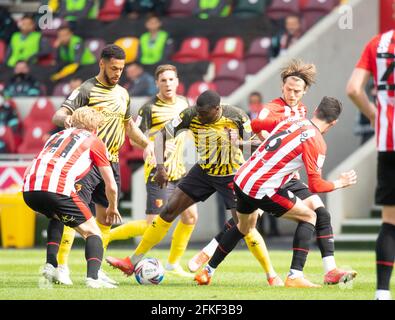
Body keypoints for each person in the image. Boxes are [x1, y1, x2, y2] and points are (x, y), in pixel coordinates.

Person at [191, 59, 357, 285]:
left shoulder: (299, 114)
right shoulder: (274, 111)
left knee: (248, 224)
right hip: (266, 180)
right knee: (308, 215)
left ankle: (207, 269)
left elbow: (273, 134)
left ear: (307, 95)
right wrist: (341, 182)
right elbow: (255, 128)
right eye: (288, 89)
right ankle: (295, 275)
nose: (292, 94)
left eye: (297, 90)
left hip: (252, 177)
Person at [106, 90, 283, 287]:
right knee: (168, 210)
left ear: (217, 109)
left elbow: (257, 146)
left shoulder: (237, 116)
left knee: (244, 226)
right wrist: (161, 168)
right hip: (204, 171)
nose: (200, 116)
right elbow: (161, 137)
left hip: (232, 174)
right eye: (198, 112)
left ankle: (271, 275)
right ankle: (132, 262)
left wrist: (239, 141)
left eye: (205, 113)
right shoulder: (190, 115)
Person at [51, 44, 154, 286]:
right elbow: (58, 115)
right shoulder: (86, 89)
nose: (118, 73)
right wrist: (69, 120)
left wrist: (147, 143)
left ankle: (96, 270)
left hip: (111, 160)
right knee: (73, 214)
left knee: (106, 218)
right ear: (102, 64)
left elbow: (129, 127)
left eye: (121, 68)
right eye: (113, 68)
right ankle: (62, 267)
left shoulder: (123, 93)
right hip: (86, 160)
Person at [108, 64, 198, 277]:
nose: (167, 84)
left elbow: (191, 130)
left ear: (177, 82)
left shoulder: (185, 103)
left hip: (180, 171)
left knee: (190, 217)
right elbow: (134, 138)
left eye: (171, 79)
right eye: (163, 80)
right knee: (153, 224)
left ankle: (173, 263)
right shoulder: (148, 108)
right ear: (157, 83)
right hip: (158, 171)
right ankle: (105, 237)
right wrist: (151, 146)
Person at [23, 107, 122, 288]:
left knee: (57, 217)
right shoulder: (94, 140)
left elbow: (33, 165)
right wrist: (113, 206)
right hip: (57, 190)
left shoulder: (55, 136)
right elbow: (111, 185)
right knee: (93, 233)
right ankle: (93, 279)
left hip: (30, 189)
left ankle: (51, 264)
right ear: (95, 127)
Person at [346, 28, 395, 300]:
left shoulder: (378, 43)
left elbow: (353, 88)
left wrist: (375, 115)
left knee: (389, 222)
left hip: (389, 142)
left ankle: (382, 292)